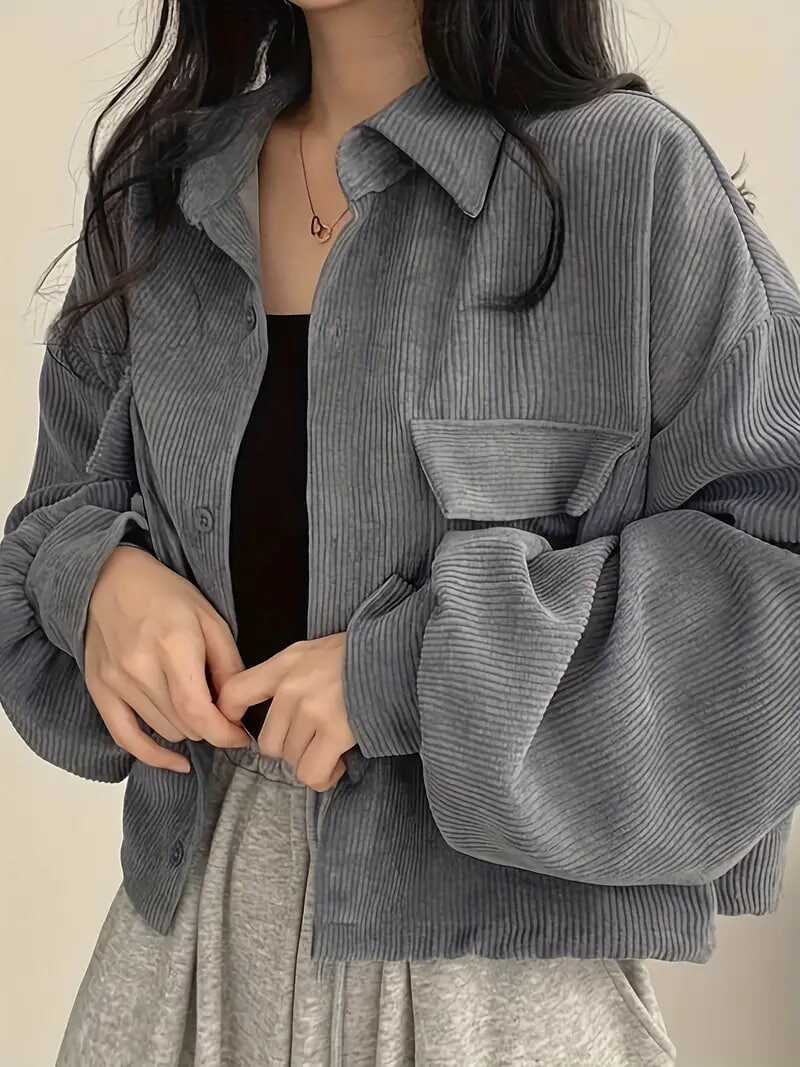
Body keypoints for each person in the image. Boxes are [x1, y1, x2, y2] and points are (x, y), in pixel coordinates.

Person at [2, 0, 799, 1063]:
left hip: (493, 1000)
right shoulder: (163, 194)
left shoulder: (628, 178)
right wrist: (96, 581)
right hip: (180, 968)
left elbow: (773, 593)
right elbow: (46, 529)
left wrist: (412, 671)